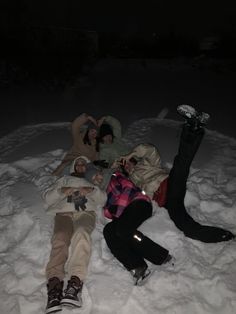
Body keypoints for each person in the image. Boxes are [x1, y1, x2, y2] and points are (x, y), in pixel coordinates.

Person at [119, 104, 235, 243]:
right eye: (125, 166)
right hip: (167, 201)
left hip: (170, 183)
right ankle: (224, 236)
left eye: (128, 162)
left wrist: (132, 153)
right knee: (184, 226)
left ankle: (193, 127)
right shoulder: (131, 182)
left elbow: (150, 150)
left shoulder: (146, 164)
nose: (128, 165)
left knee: (181, 163)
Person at [83, 162, 172, 286]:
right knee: (109, 230)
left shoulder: (114, 175)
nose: (97, 179)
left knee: (122, 229)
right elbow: (108, 214)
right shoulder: (103, 193)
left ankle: (162, 257)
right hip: (126, 214)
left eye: (96, 175)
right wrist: (110, 211)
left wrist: (117, 212)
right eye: (93, 180)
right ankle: (138, 267)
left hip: (140, 203)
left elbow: (128, 188)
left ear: (100, 172)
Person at [43, 156, 106, 314]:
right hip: (64, 213)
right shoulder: (64, 180)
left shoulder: (90, 180)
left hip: (84, 213)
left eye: (83, 164)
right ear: (73, 167)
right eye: (77, 164)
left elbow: (103, 200)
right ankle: (54, 286)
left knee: (81, 233)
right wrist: (61, 191)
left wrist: (91, 190)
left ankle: (75, 284)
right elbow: (47, 198)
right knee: (60, 237)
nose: (80, 166)